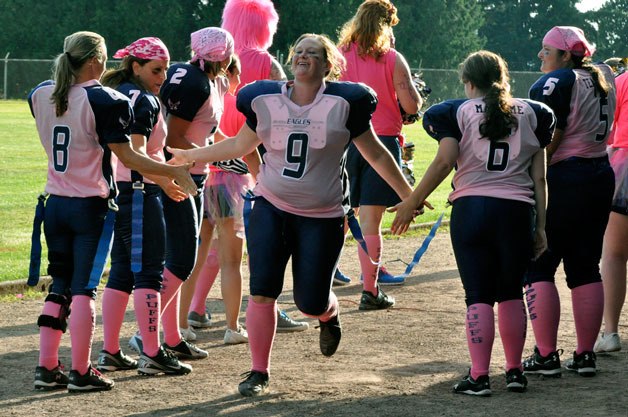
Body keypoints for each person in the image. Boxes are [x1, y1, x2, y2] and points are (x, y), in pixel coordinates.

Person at [167, 33, 413, 397]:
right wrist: (190, 156)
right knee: (262, 290)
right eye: (298, 52)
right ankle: (258, 371)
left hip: (322, 213)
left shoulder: (345, 103)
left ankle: (328, 315)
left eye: (313, 53)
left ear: (329, 65)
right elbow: (239, 145)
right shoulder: (266, 100)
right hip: (271, 204)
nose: (302, 58)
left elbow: (375, 154)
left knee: (309, 301)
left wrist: (408, 196)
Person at [29, 31, 196, 392]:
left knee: (59, 287)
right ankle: (81, 370)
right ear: (94, 61)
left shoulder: (40, 93)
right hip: (89, 204)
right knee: (83, 290)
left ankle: (46, 366)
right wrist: (173, 171)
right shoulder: (105, 99)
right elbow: (128, 157)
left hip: (54, 202)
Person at [391, 50, 553, 396]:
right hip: (516, 210)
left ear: (468, 81)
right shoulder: (532, 113)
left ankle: (479, 376)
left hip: (472, 208)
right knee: (511, 292)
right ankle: (514, 372)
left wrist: (411, 201)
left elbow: (445, 160)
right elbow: (540, 180)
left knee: (478, 294)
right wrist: (539, 227)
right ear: (503, 79)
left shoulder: (456, 111)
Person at [127, 27, 236, 361]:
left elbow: (205, 131)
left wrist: (226, 152)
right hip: (179, 176)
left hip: (187, 174)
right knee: (182, 258)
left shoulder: (205, 78)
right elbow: (175, 139)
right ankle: (145, 334)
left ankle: (171, 337)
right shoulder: (194, 81)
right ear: (223, 54)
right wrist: (219, 157)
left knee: (179, 259)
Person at [522, 26, 616, 378]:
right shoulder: (603, 75)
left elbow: (551, 138)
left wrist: (529, 174)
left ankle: (546, 356)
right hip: (600, 173)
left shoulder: (557, 82)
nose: (540, 56)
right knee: (585, 266)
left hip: (564, 178)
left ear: (564, 55)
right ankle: (585, 355)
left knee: (539, 265)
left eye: (546, 50)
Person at [211, 0, 310, 332]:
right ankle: (266, 307)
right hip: (256, 159)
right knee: (260, 241)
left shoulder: (217, 60)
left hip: (216, 159)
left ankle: (194, 309)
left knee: (213, 246)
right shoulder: (266, 63)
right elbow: (293, 104)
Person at [97, 37, 193, 375]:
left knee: (122, 271)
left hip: (123, 190)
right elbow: (135, 156)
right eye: (156, 69)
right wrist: (170, 175)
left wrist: (163, 181)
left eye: (166, 68)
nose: (163, 76)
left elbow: (133, 156)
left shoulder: (122, 93)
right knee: (149, 271)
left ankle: (110, 350)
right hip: (138, 191)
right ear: (135, 66)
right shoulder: (142, 100)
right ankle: (151, 352)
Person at [337, 0, 422, 303]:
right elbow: (411, 105)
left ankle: (328, 268)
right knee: (371, 219)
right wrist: (413, 99)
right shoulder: (392, 58)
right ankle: (370, 288)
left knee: (343, 211)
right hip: (380, 141)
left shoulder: (339, 55)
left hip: (344, 140)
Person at [181, 55, 254, 345]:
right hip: (227, 184)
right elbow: (243, 146)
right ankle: (233, 326)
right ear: (229, 71)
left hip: (200, 181)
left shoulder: (199, 96)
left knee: (193, 261)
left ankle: (182, 322)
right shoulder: (229, 98)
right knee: (231, 261)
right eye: (237, 73)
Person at [595, 70, 628, 353]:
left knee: (614, 253)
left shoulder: (623, 80)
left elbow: (608, 129)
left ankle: (610, 332)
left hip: (625, 165)